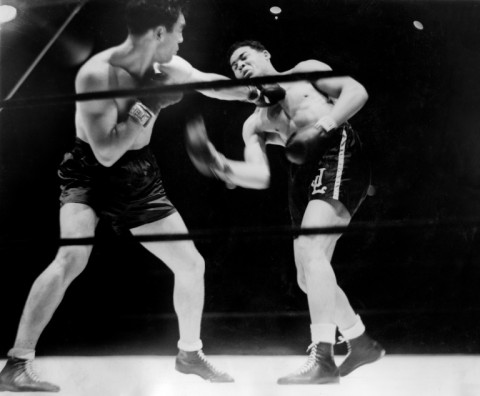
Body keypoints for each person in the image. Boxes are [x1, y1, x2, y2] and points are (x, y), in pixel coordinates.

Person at [0, 2, 271, 392]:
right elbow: (106, 152)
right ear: (158, 33)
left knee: (191, 265)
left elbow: (210, 83)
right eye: (177, 31)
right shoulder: (97, 74)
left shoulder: (169, 68)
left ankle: (189, 354)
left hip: (138, 173)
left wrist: (255, 95)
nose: (182, 40)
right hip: (90, 172)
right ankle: (17, 362)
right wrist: (150, 104)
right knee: (70, 259)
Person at [185, 40, 385, 385]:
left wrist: (321, 126)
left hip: (336, 148)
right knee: (307, 277)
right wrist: (218, 164)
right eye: (234, 66)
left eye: (244, 58)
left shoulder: (305, 71)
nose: (240, 67)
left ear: (266, 56)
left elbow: (356, 92)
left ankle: (322, 358)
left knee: (310, 250)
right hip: (303, 175)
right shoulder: (255, 122)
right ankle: (360, 341)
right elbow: (259, 175)